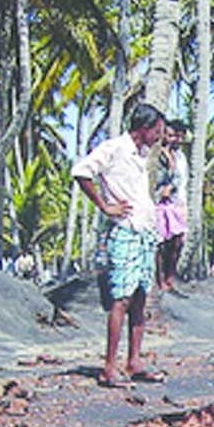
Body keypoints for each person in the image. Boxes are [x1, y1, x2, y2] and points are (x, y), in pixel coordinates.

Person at [71, 102, 167, 388]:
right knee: (121, 300)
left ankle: (134, 361)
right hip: (125, 231)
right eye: (158, 131)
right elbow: (81, 171)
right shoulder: (114, 148)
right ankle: (109, 367)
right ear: (144, 128)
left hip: (144, 231)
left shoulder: (140, 154)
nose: (159, 137)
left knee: (139, 298)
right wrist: (105, 206)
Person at [155, 118, 189, 292]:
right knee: (159, 243)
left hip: (176, 202)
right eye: (172, 135)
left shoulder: (180, 157)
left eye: (179, 136)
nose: (175, 140)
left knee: (178, 240)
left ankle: (170, 276)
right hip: (158, 202)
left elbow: (180, 181)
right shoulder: (157, 154)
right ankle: (160, 279)